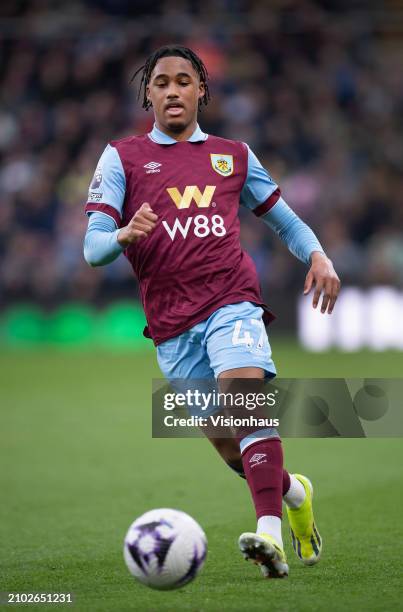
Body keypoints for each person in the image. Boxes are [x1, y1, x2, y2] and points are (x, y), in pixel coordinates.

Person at [83, 45, 340, 579]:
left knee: (245, 401)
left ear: (202, 89)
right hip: (172, 325)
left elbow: (287, 222)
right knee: (230, 447)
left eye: (184, 80)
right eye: (162, 83)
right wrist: (123, 234)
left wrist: (317, 255)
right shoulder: (121, 158)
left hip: (232, 301)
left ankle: (268, 535)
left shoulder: (233, 155)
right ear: (148, 94)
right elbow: (92, 249)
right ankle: (294, 493)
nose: (173, 90)